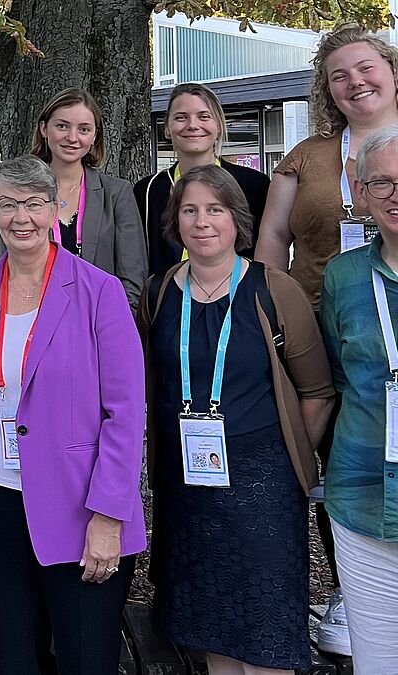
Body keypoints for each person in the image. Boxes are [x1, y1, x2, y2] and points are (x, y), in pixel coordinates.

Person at [140, 164, 334, 674]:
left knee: (266, 625)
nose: (202, 222)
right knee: (210, 624)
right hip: (187, 484)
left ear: (237, 220)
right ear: (175, 222)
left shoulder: (275, 290)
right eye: (189, 210)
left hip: (261, 486)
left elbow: (316, 391)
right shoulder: (158, 293)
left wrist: (282, 458)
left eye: (215, 209)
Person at [0, 155, 146, 674]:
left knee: (86, 658)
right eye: (9, 203)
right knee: (12, 658)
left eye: (35, 204)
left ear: (55, 208)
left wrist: (109, 515)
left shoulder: (99, 291)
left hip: (80, 505)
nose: (22, 217)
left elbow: (126, 413)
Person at [254, 25, 398, 654]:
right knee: (341, 454)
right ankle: (350, 588)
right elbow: (271, 245)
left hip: (387, 322)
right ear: (325, 89)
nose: (354, 82)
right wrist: (272, 321)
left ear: (391, 70)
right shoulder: (309, 156)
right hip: (322, 322)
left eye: (365, 67)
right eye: (338, 74)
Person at [319, 126, 398, 671]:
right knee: (376, 660)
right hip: (363, 498)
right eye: (384, 183)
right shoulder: (343, 277)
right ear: (363, 194)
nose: (397, 195)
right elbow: (339, 376)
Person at [134, 82, 271, 276]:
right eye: (181, 117)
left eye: (204, 116)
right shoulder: (147, 191)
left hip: (236, 299)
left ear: (219, 125)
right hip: (165, 301)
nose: (192, 125)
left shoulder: (254, 185)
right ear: (167, 127)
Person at [30, 88, 147, 307]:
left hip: (99, 323)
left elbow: (133, 279)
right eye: (62, 126)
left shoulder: (117, 193)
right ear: (44, 129)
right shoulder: (23, 193)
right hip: (36, 321)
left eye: (83, 129)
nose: (72, 138)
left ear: (94, 137)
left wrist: (114, 329)